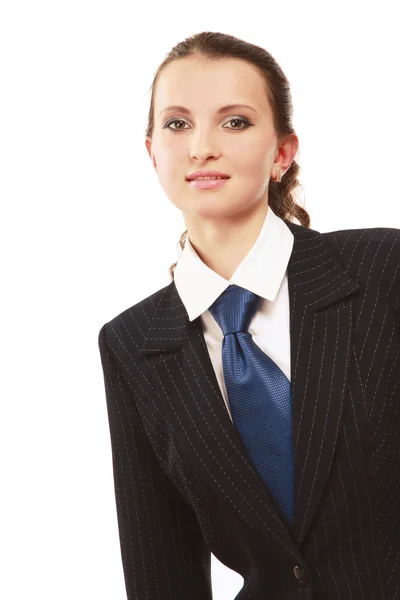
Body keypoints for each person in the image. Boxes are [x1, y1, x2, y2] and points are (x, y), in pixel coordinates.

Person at [98, 31, 400, 600]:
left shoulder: (384, 269)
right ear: (151, 153)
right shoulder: (132, 342)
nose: (201, 147)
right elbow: (161, 565)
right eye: (177, 123)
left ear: (282, 153)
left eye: (234, 122)